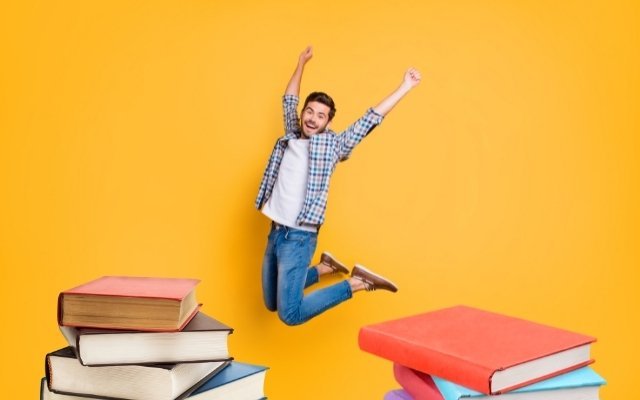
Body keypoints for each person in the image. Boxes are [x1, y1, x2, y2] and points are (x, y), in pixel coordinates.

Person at [255, 46, 421, 325]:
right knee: (271, 302)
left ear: (328, 121)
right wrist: (301, 63)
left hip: (298, 238)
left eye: (320, 115)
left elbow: (369, 121)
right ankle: (325, 267)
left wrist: (404, 86)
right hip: (276, 232)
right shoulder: (291, 136)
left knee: (290, 315)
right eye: (309, 111)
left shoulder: (333, 145)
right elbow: (288, 99)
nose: (312, 118)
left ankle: (356, 282)